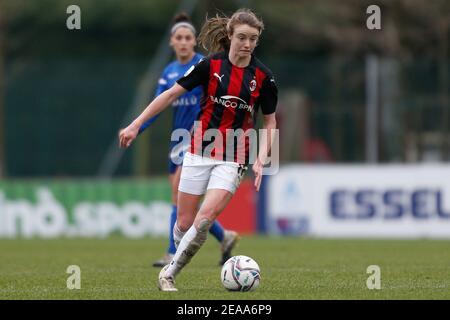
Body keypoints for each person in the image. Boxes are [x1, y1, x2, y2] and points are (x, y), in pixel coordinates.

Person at [119, 8, 278, 292]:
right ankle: (182, 251)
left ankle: (168, 274)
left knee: (204, 219)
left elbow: (269, 120)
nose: (248, 44)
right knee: (183, 223)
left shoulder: (264, 78)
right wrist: (135, 125)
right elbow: (169, 95)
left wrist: (262, 157)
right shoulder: (210, 65)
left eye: (253, 39)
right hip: (198, 150)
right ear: (229, 36)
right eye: (242, 37)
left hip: (233, 156)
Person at [137, 13, 239, 267]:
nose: (183, 42)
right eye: (178, 38)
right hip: (177, 139)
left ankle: (172, 252)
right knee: (185, 204)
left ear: (194, 41)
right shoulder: (169, 72)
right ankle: (224, 236)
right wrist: (137, 128)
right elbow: (159, 104)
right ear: (172, 42)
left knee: (176, 195)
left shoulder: (204, 66)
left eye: (188, 38)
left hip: (199, 139)